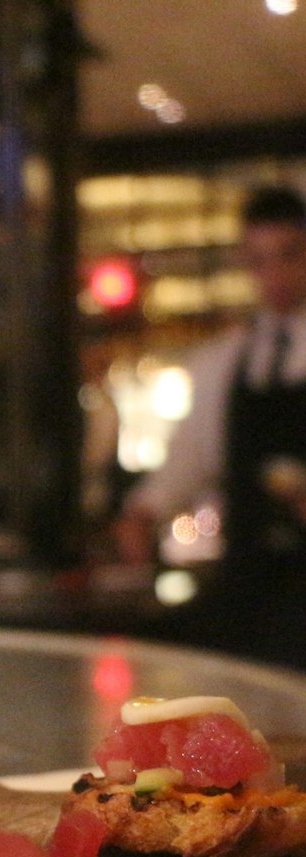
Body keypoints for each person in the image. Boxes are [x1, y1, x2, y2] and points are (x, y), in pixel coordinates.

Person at [114, 184, 306, 665]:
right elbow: (188, 461)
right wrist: (142, 511)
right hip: (248, 584)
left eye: (289, 255)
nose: (275, 274)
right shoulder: (224, 362)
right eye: (260, 261)